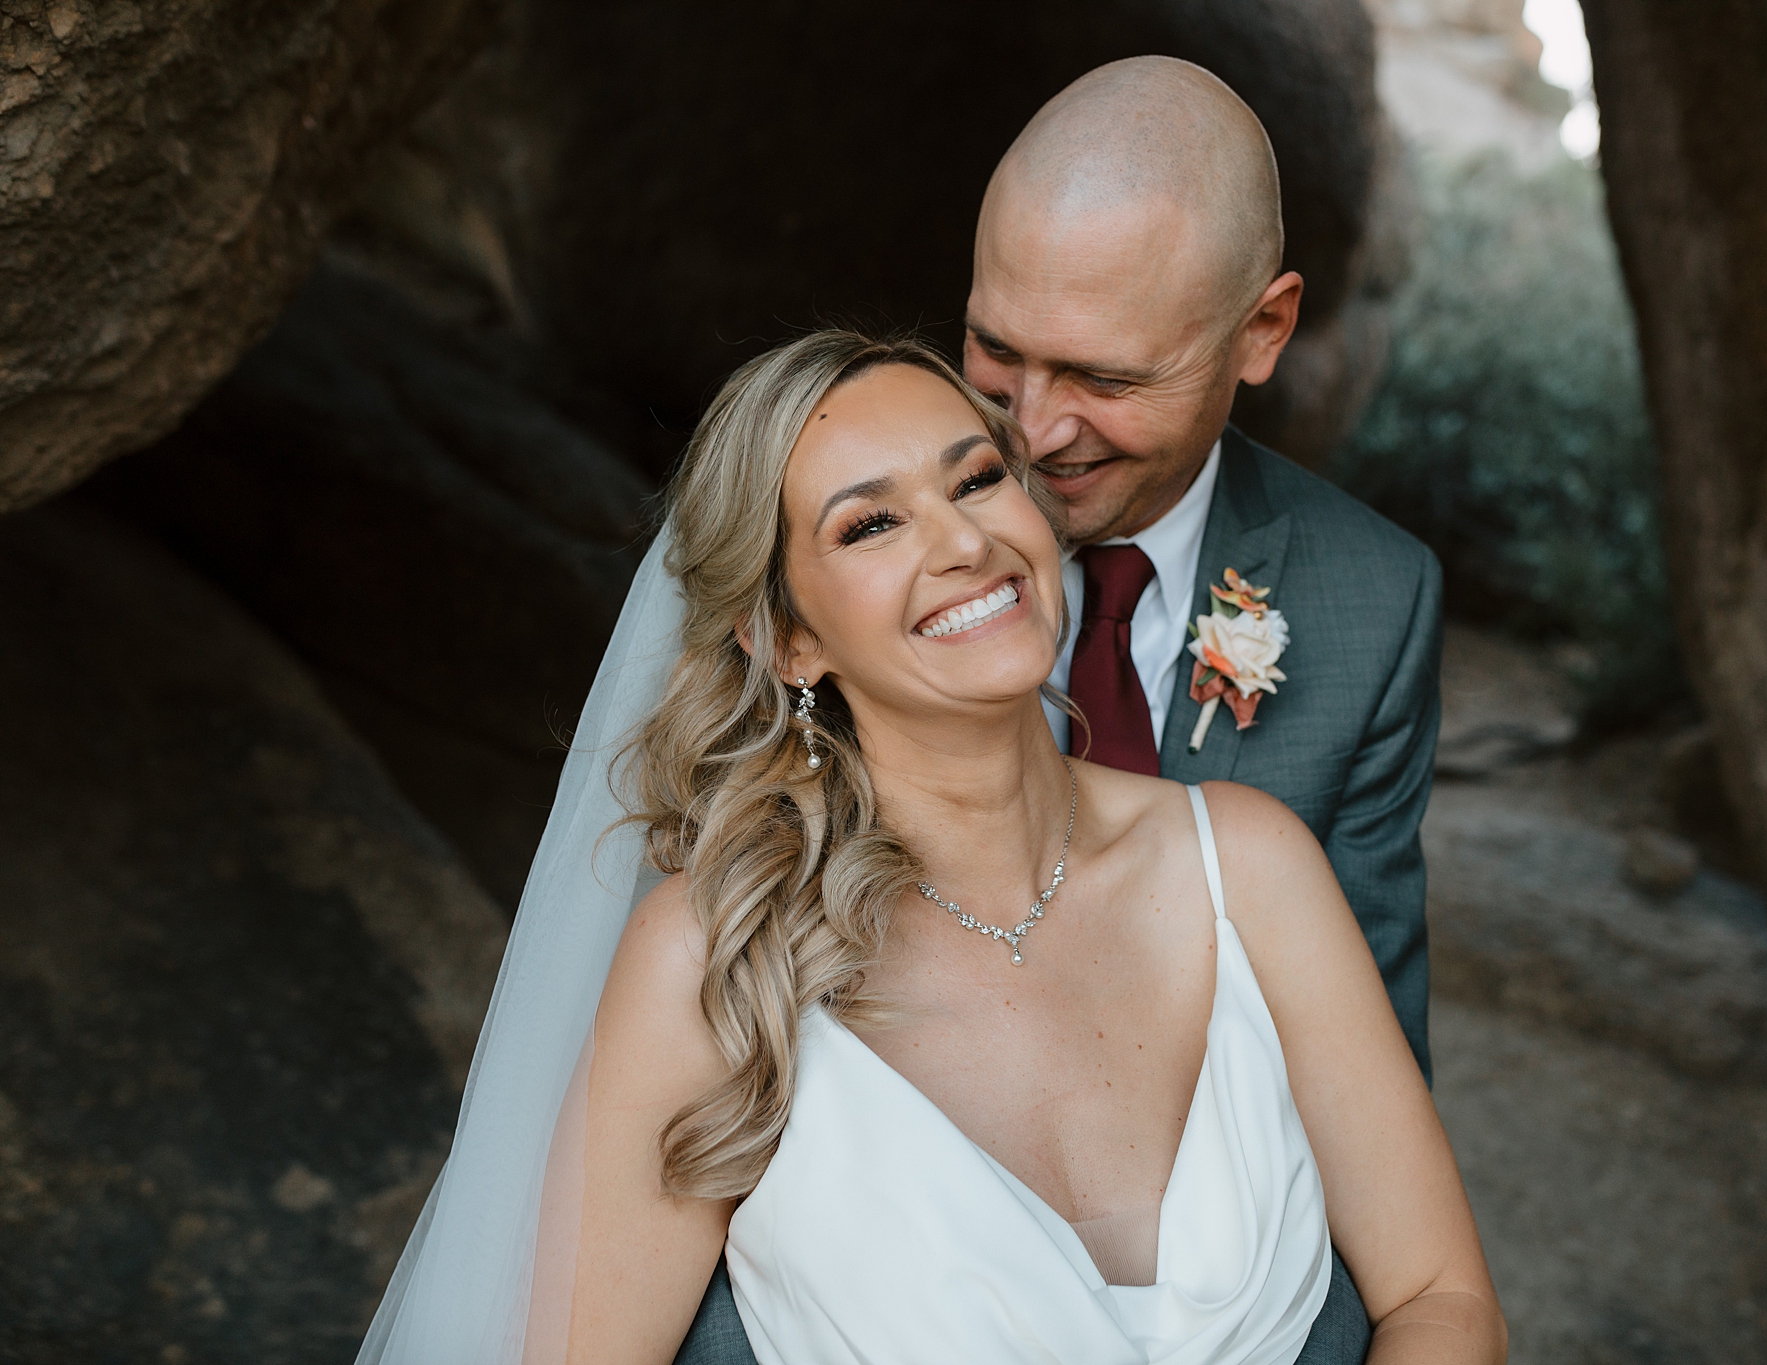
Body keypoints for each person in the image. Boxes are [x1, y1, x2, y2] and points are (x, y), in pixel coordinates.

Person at [356, 331, 1503, 1364]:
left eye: (976, 478)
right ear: (789, 640)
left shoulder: (1248, 866)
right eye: (871, 523)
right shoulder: (715, 961)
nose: (962, 539)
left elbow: (1441, 1298)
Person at [963, 57, 1442, 1085]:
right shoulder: (852, 548)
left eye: (1104, 376)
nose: (1033, 433)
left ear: (1260, 332)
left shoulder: (1372, 602)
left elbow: (1369, 1083)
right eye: (996, 350)